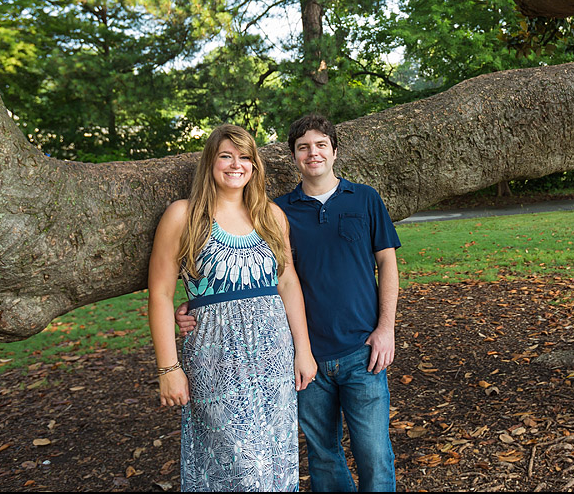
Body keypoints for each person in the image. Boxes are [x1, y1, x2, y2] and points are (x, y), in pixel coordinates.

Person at [177, 113, 401, 492]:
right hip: (301, 355)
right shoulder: (276, 211)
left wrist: (386, 329)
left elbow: (388, 265)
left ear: (334, 151)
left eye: (320, 146)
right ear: (293, 156)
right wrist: (196, 304)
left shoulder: (364, 198)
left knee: (375, 454)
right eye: (303, 148)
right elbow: (264, 273)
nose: (313, 154)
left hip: (362, 350)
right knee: (323, 455)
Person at [149, 124, 318, 492]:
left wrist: (303, 351)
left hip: (274, 358)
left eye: (244, 157)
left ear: (254, 166)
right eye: (226, 155)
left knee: (273, 460)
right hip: (215, 361)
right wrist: (168, 368)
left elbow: (288, 283)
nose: (235, 165)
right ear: (211, 162)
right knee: (235, 462)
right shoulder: (184, 215)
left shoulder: (270, 216)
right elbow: (160, 294)